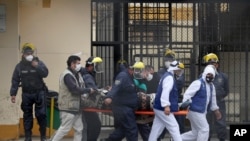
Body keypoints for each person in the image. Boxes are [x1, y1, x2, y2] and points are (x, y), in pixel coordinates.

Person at [50, 55, 95, 141]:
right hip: (68, 107)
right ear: (72, 64)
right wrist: (88, 90)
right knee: (64, 129)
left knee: (79, 129)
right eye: (78, 63)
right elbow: (74, 89)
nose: (79, 65)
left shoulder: (75, 74)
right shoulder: (68, 75)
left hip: (76, 108)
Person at [10, 43, 49, 141]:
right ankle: (28, 137)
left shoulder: (38, 63)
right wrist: (13, 93)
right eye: (27, 53)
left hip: (39, 92)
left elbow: (45, 73)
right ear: (23, 54)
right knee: (27, 114)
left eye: (30, 53)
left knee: (41, 115)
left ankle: (43, 136)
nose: (29, 55)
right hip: (26, 93)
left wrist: (37, 66)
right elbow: (15, 80)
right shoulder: (19, 66)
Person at [100, 61, 143, 141]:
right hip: (123, 108)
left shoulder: (130, 77)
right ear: (131, 69)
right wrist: (109, 97)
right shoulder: (123, 76)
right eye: (137, 70)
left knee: (123, 130)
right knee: (132, 130)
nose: (139, 72)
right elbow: (116, 87)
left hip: (127, 107)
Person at [180, 65, 222, 141]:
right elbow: (187, 94)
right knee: (204, 129)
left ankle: (176, 139)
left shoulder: (211, 86)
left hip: (201, 112)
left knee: (195, 133)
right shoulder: (198, 83)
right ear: (205, 74)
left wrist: (216, 111)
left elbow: (213, 100)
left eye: (212, 75)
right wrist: (186, 105)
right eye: (208, 74)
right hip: (195, 110)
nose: (210, 76)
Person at [148, 60, 184, 141]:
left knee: (156, 130)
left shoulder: (167, 76)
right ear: (175, 69)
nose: (180, 72)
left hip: (159, 107)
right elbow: (165, 92)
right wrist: (166, 106)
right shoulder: (169, 78)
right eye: (179, 70)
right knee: (174, 127)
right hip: (162, 108)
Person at [203, 53, 229, 141]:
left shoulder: (223, 76)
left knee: (221, 123)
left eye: (214, 64)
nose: (213, 66)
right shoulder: (202, 77)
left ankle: (222, 139)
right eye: (210, 64)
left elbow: (226, 90)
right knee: (207, 124)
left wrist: (218, 97)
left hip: (219, 103)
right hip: (207, 104)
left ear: (217, 65)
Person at [80, 56, 103, 141]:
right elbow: (92, 89)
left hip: (85, 105)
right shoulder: (87, 76)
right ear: (90, 66)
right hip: (88, 105)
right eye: (96, 66)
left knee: (89, 126)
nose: (97, 68)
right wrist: (102, 91)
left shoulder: (87, 75)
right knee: (95, 125)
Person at [135, 64, 160, 141]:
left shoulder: (144, 81)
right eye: (148, 73)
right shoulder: (137, 81)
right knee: (142, 127)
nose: (149, 75)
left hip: (145, 107)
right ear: (144, 71)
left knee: (145, 128)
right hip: (140, 108)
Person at [174, 62, 186, 134]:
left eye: (181, 70)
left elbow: (178, 85)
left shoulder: (180, 78)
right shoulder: (173, 77)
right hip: (174, 100)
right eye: (178, 70)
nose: (180, 72)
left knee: (180, 121)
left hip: (178, 100)